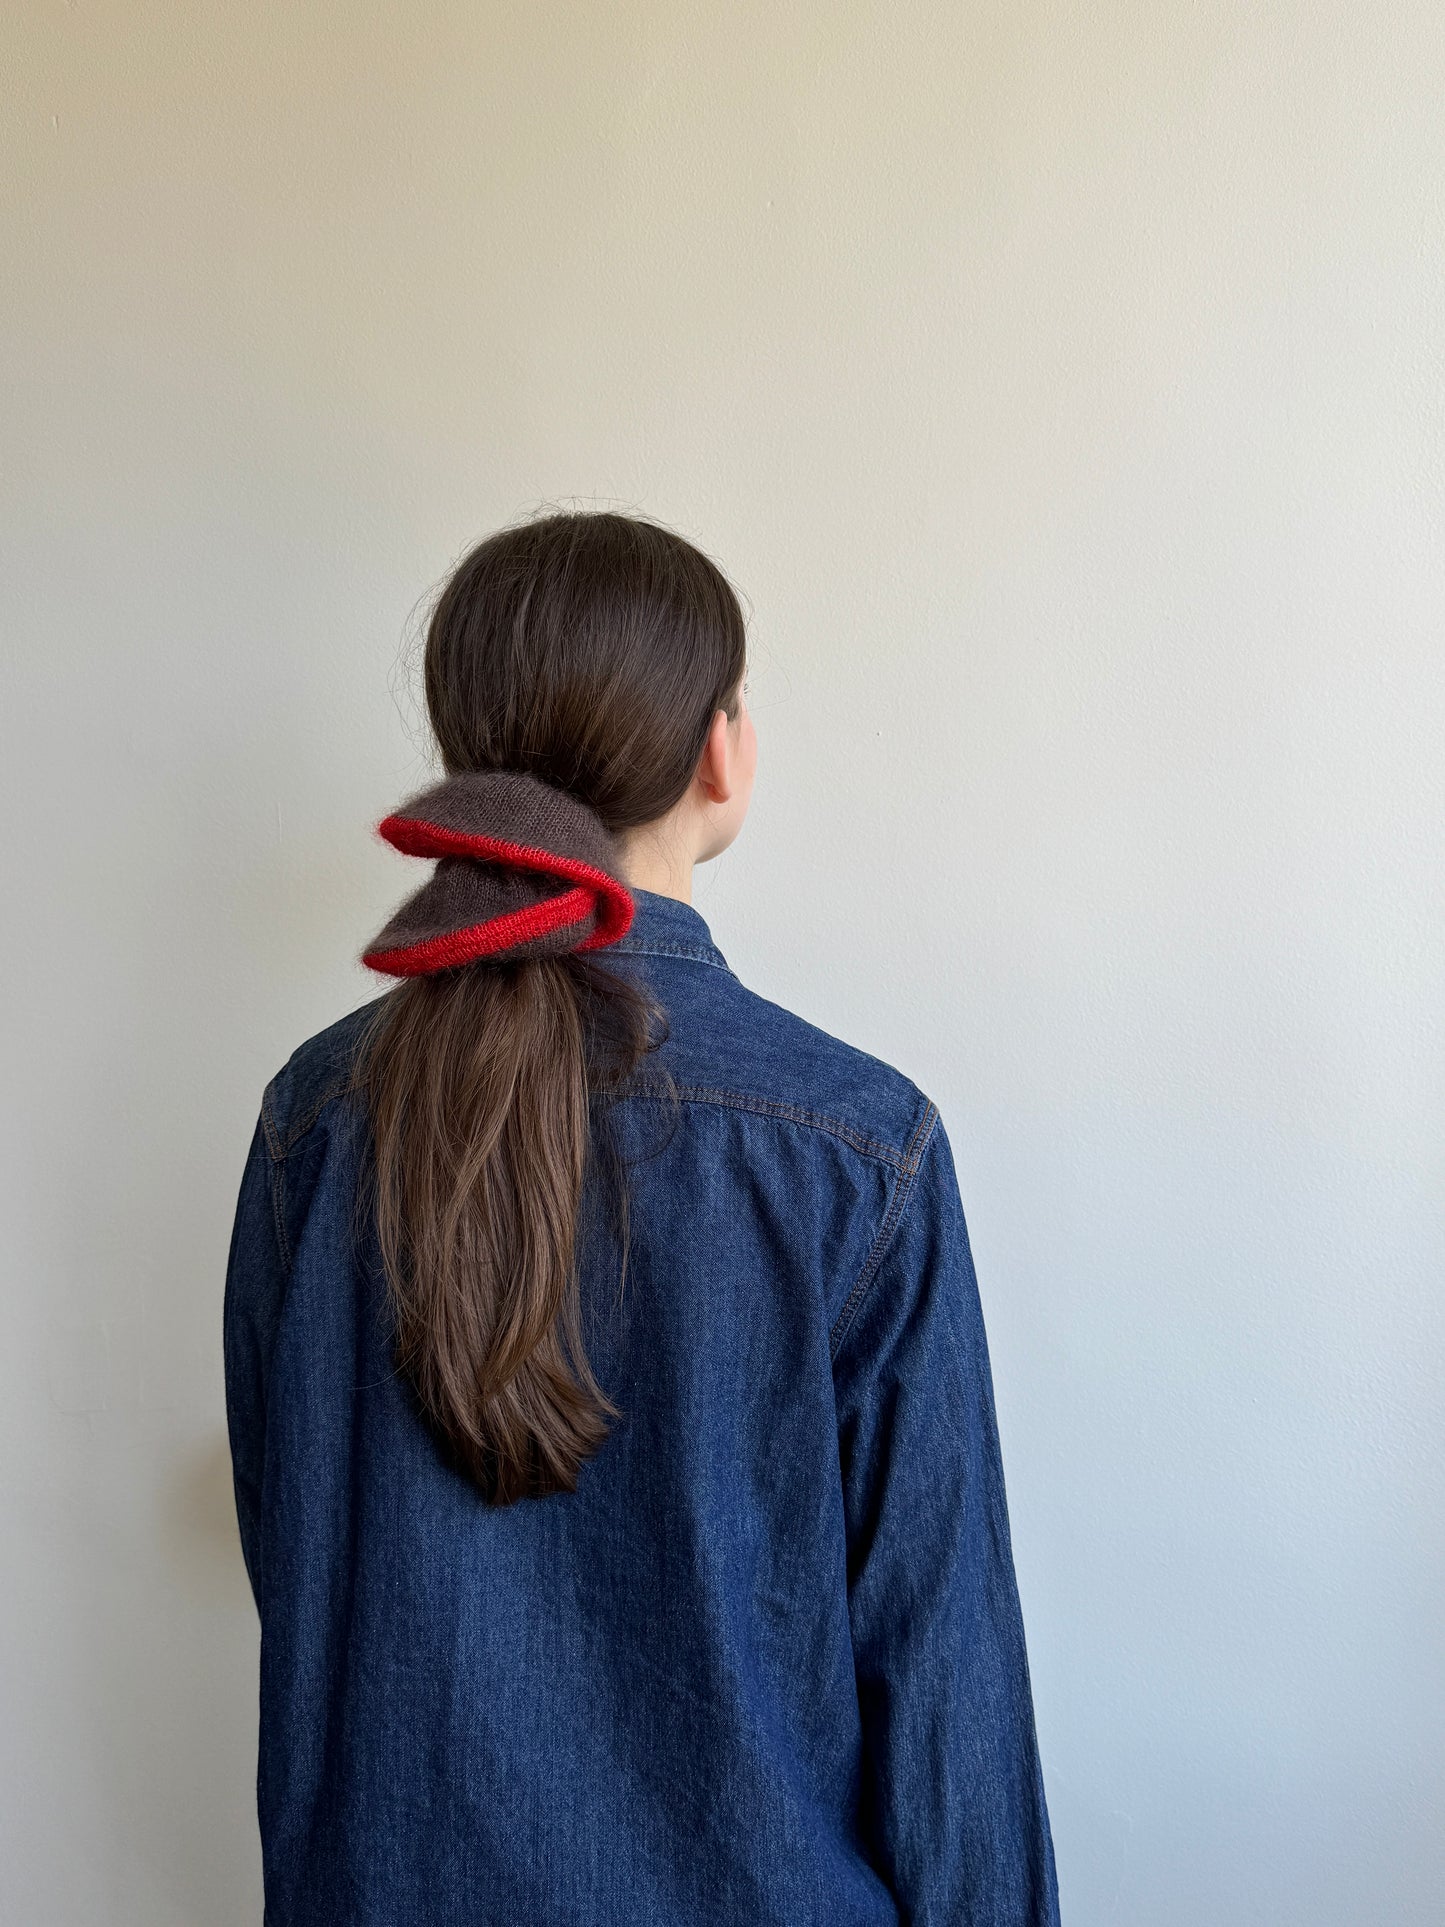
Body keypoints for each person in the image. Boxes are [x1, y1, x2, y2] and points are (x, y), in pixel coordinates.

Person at [223, 507, 1061, 1925]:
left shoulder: (318, 1120)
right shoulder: (858, 1146)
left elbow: (297, 1550)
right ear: (718, 751)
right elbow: (940, 1674)